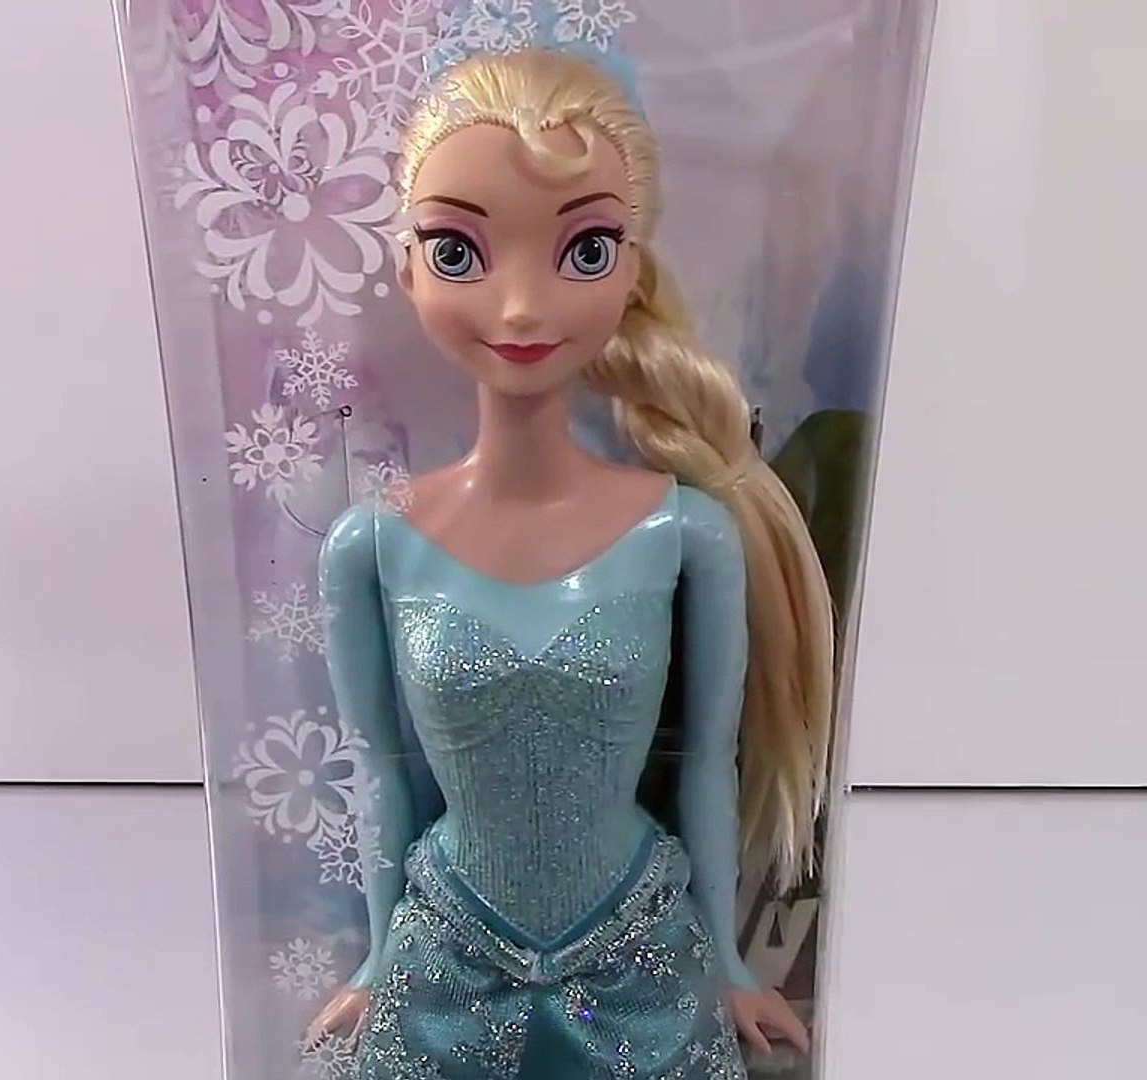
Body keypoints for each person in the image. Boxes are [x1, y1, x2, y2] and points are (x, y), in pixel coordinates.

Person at [311, 47, 833, 1078]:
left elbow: (709, 763)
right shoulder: (372, 544)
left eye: (584, 249)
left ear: (633, 268)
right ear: (406, 266)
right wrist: (374, 958)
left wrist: (729, 961)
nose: (519, 308)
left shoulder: (684, 534)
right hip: (445, 961)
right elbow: (381, 769)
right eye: (459, 251)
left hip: (639, 955)